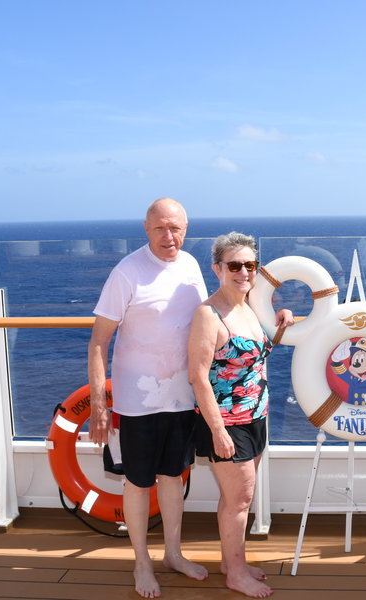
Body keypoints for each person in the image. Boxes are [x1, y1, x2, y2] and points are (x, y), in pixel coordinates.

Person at [87, 197, 210, 598]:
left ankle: (172, 553)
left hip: (181, 397)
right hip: (137, 402)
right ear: (146, 228)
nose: (168, 236)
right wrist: (99, 408)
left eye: (175, 228)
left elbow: (210, 322)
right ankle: (142, 564)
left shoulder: (192, 266)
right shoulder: (127, 272)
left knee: (173, 478)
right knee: (138, 484)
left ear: (186, 228)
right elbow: (98, 342)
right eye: (160, 228)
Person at [188, 232, 293, 599]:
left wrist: (279, 323)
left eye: (250, 265)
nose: (244, 272)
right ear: (217, 268)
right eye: (234, 265)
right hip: (227, 423)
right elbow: (198, 376)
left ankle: (233, 561)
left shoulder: (250, 306)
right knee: (240, 499)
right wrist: (218, 432)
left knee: (236, 498)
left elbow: (254, 355)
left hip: (256, 416)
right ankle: (235, 573)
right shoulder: (208, 314)